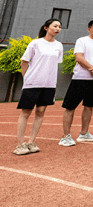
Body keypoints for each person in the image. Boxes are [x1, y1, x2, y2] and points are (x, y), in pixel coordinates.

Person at [13, 19, 63, 155]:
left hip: (49, 84)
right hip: (32, 83)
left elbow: (54, 64)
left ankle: (31, 141)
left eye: (59, 26)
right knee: (26, 112)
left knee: (41, 111)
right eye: (55, 26)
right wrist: (26, 79)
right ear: (46, 28)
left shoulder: (59, 45)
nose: (58, 28)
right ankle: (20, 144)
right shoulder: (36, 43)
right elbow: (24, 62)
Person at [59, 20, 93, 148]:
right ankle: (65, 136)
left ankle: (84, 133)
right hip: (80, 78)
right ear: (89, 29)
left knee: (89, 106)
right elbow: (79, 58)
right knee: (70, 106)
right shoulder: (82, 41)